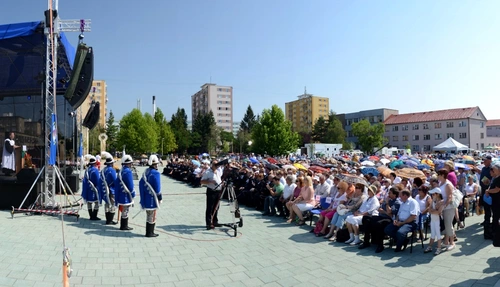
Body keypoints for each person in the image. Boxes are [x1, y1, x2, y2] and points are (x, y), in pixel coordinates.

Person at [139, 155, 163, 237]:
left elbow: (141, 184)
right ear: (155, 164)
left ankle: (148, 232)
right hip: (153, 198)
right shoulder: (156, 173)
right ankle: (150, 232)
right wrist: (160, 198)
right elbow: (158, 188)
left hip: (146, 197)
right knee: (152, 215)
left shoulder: (146, 172)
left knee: (148, 214)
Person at [200, 160, 223, 230]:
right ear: (211, 165)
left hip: (218, 191)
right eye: (215, 164)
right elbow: (201, 181)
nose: (217, 166)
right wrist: (209, 181)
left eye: (217, 164)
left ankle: (215, 221)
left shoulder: (219, 171)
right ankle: (209, 223)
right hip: (211, 191)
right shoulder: (207, 172)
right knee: (210, 207)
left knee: (216, 207)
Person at [115, 155, 136, 231]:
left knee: (124, 209)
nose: (131, 165)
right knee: (125, 210)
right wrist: (133, 194)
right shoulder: (128, 171)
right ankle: (124, 226)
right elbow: (130, 185)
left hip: (121, 193)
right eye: (130, 163)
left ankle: (123, 225)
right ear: (128, 163)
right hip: (126, 194)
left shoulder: (121, 170)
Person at [424, 188, 444, 255]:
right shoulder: (433, 200)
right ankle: (430, 246)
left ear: (437, 194)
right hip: (432, 219)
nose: (432, 195)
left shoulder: (441, 202)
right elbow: (429, 210)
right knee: (432, 234)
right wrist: (433, 211)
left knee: (438, 234)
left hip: (438, 220)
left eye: (433, 194)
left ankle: (439, 248)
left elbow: (439, 212)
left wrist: (433, 211)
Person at [99, 154, 117, 225]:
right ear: (111, 163)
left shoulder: (104, 170)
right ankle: (110, 220)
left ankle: (107, 219)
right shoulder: (112, 170)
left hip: (105, 189)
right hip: (111, 189)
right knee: (113, 204)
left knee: (107, 203)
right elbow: (115, 180)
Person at [82, 156, 101, 220]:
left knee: (89, 202)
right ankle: (94, 215)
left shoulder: (87, 170)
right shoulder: (95, 170)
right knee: (97, 202)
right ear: (95, 163)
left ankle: (91, 215)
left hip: (88, 188)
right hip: (94, 189)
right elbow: (97, 180)